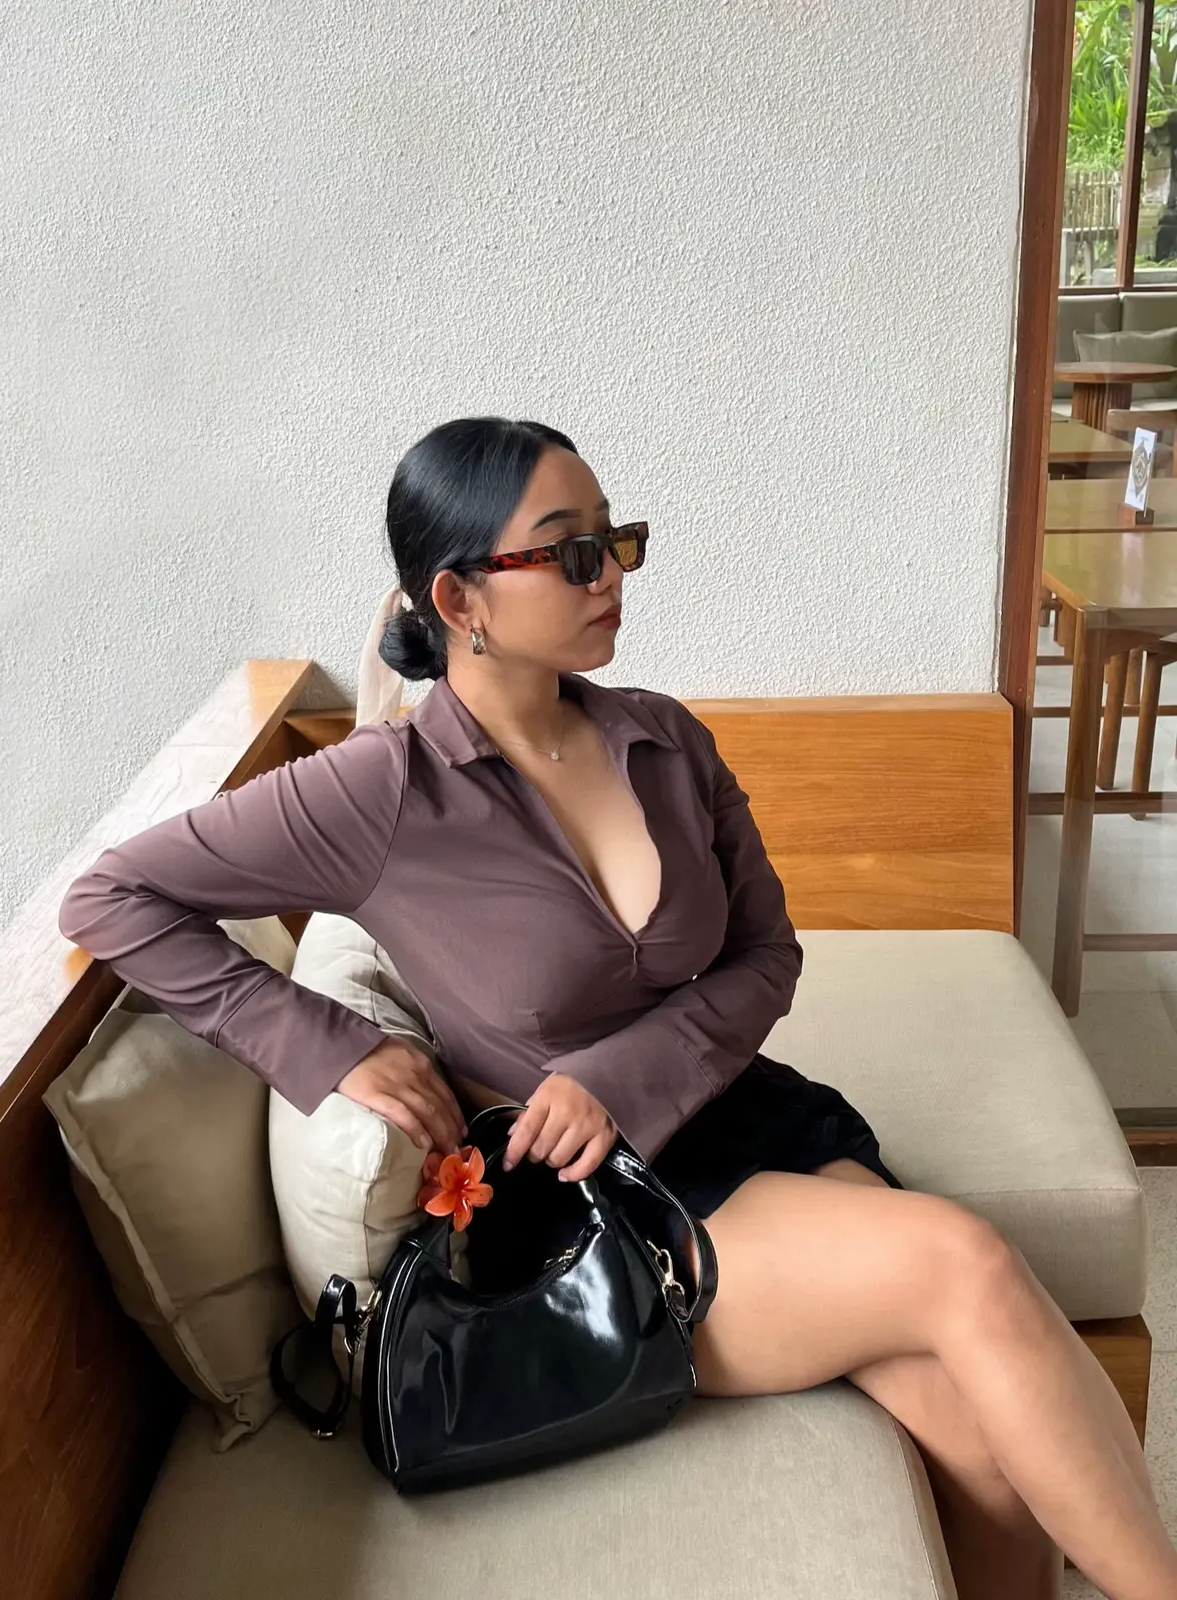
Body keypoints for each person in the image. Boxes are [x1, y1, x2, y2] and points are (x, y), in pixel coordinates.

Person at [59, 417, 1176, 1600]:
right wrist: (332, 1046)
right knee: (968, 1262)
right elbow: (112, 897)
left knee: (980, 1440)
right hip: (598, 1206)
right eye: (572, 550)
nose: (612, 575)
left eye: (616, 539)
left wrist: (621, 1074)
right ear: (460, 597)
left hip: (747, 1118)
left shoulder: (662, 738)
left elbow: (765, 956)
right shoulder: (380, 792)